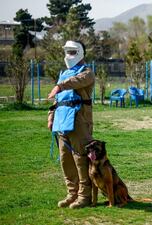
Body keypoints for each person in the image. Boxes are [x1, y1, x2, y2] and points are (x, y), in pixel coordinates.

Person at [47, 40, 95, 209]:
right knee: (65, 159)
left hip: (79, 120)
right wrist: (51, 116)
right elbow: (57, 100)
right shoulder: (63, 73)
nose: (69, 55)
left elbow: (76, 82)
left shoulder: (87, 72)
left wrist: (59, 86)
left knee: (80, 158)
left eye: (73, 51)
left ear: (81, 52)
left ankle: (85, 195)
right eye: (67, 51)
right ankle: (72, 193)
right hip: (61, 120)